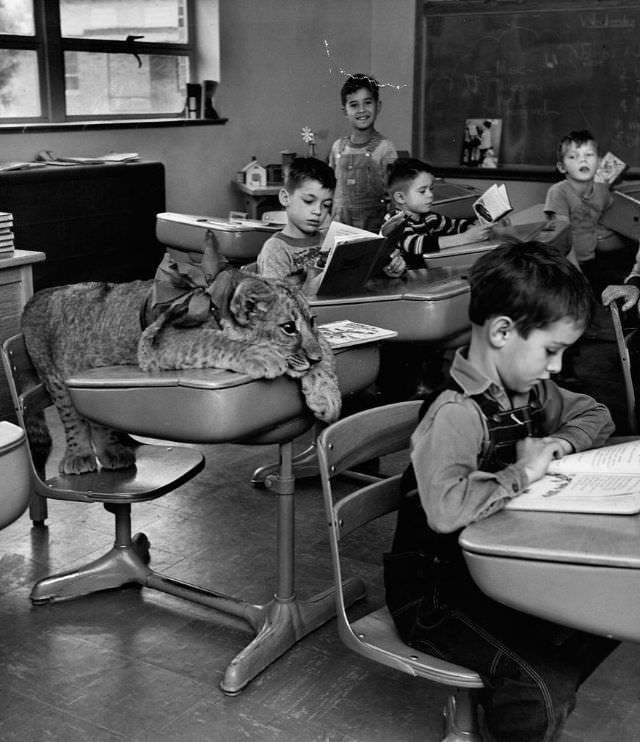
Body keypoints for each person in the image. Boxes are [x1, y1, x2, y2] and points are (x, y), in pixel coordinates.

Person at [384, 242, 619, 742]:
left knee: (605, 617)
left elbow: (595, 414)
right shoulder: (455, 411)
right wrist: (523, 474)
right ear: (502, 332)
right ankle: (524, 707)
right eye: (551, 351)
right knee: (543, 684)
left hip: (498, 573)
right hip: (436, 596)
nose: (556, 368)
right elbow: (447, 510)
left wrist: (558, 442)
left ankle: (518, 705)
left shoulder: (528, 391)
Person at [544, 129, 632, 296]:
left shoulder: (601, 189)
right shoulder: (558, 192)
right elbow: (562, 240)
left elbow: (610, 215)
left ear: (599, 163)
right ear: (562, 167)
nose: (582, 160)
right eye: (573, 156)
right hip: (565, 265)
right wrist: (577, 276)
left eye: (589, 155)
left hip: (591, 259)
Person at [381, 157, 490, 268]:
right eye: (422, 191)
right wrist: (465, 238)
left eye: (431, 189)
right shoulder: (394, 222)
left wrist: (473, 227)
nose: (430, 195)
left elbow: (453, 225)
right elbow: (416, 244)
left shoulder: (430, 218)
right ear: (400, 197)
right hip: (407, 277)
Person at [328, 73, 397, 233]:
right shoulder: (337, 147)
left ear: (378, 106)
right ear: (344, 111)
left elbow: (394, 195)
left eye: (367, 102)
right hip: (339, 228)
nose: (361, 110)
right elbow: (329, 190)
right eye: (353, 105)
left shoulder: (385, 148)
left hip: (371, 228)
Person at [257, 156, 335, 294]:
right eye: (308, 201)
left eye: (326, 205)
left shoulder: (328, 240)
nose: (318, 211)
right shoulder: (276, 250)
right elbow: (278, 305)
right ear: (285, 198)